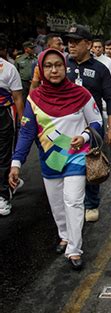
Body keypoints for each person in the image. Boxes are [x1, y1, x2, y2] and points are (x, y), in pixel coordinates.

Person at [8, 48, 103, 270]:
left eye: (58, 65)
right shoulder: (34, 99)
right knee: (58, 205)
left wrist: (85, 136)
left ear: (65, 67)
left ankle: (75, 249)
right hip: (50, 161)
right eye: (48, 66)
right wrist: (16, 163)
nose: (54, 70)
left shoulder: (81, 94)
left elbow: (96, 121)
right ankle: (65, 235)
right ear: (41, 70)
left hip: (76, 158)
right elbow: (26, 133)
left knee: (73, 201)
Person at [65, 24, 111, 222]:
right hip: (66, 125)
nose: (71, 46)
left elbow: (110, 99)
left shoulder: (100, 69)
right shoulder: (63, 65)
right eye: (69, 42)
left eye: (76, 42)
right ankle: (71, 203)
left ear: (88, 44)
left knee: (91, 164)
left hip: (92, 126)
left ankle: (91, 203)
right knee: (67, 163)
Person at [0, 40, 24, 216]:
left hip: (4, 116)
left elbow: (17, 98)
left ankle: (3, 196)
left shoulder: (9, 69)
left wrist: (23, 121)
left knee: (3, 156)